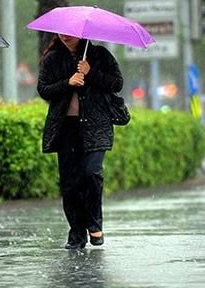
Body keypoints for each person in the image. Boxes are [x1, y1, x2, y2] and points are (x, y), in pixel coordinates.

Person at [37, 34, 123, 249]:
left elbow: (116, 84)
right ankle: (76, 232)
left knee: (92, 173)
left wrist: (90, 73)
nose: (65, 36)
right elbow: (43, 89)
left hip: (96, 125)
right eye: (61, 32)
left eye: (70, 32)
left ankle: (94, 225)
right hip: (65, 127)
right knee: (70, 182)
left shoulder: (99, 55)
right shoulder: (53, 58)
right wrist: (68, 82)